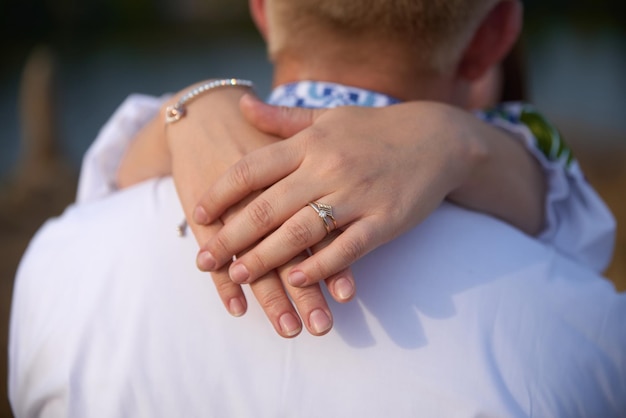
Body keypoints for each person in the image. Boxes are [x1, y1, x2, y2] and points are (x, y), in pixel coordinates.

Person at [9, 0, 625, 416]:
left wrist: (186, 106)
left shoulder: (57, 268)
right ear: (493, 36)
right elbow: (583, 238)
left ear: (260, 8)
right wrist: (464, 141)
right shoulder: (586, 334)